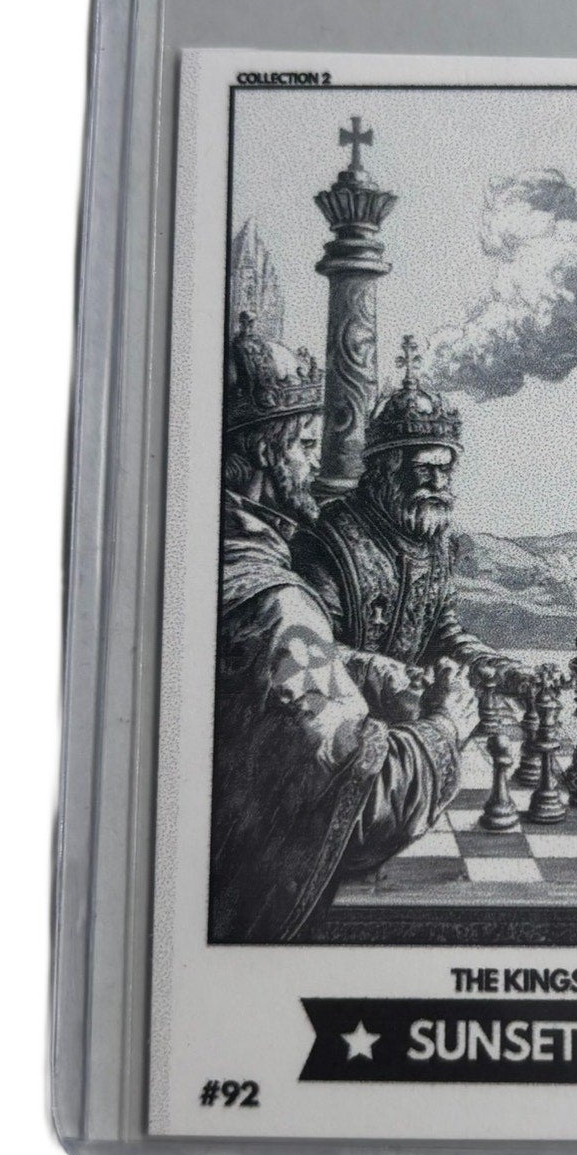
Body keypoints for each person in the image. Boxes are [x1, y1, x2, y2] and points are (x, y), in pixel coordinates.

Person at [210, 315, 476, 943]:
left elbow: (293, 671)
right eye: (306, 445)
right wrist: (445, 729)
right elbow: (363, 805)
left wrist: (370, 670)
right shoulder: (284, 598)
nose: (319, 464)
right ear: (264, 455)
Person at [291, 335, 532, 697]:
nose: (438, 482)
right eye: (424, 469)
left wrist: (502, 669)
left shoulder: (437, 544)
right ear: (386, 471)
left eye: (445, 470)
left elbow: (443, 637)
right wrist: (389, 677)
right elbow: (310, 651)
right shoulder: (329, 539)